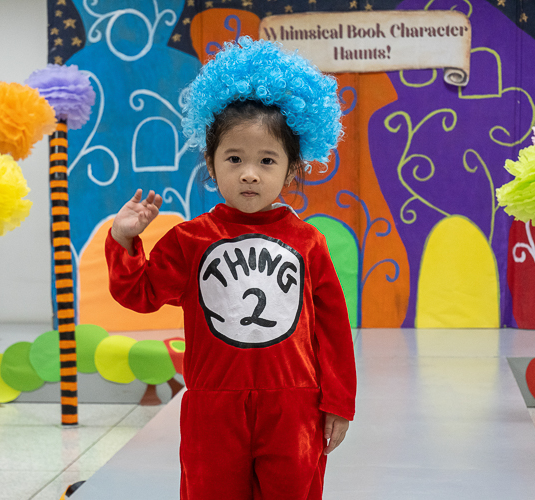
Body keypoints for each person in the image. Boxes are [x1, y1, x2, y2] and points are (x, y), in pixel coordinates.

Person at [105, 37, 356, 500]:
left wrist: (338, 401)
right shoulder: (189, 240)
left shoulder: (308, 242)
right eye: (234, 159)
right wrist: (124, 238)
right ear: (211, 162)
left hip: (293, 405)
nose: (249, 173)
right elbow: (138, 293)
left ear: (291, 169)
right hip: (212, 407)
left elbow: (334, 329)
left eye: (267, 161)